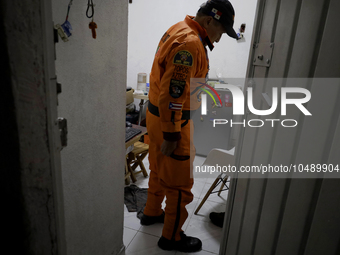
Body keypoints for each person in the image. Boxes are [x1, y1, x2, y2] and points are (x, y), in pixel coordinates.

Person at [140, 0, 238, 252]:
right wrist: (173, 134)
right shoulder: (190, 43)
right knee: (180, 183)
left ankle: (151, 212)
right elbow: (173, 94)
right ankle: (171, 237)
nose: (220, 37)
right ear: (209, 21)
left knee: (160, 169)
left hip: (156, 117)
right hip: (172, 123)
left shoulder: (179, 28)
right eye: (222, 31)